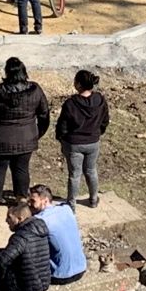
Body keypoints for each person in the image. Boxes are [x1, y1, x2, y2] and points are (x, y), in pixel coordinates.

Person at [0, 57, 50, 213]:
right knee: (21, 169)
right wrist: (36, 134)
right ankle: (21, 200)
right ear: (24, 72)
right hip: (26, 138)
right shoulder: (35, 91)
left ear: (7, 73)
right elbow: (44, 115)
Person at [55, 69, 109, 210]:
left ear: (78, 84)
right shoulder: (100, 100)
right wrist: (97, 133)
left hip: (74, 143)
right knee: (91, 171)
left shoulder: (70, 104)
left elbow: (63, 126)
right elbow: (105, 120)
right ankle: (93, 199)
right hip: (93, 142)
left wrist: (61, 139)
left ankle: (71, 205)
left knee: (74, 175)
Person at [0, 202, 51, 291]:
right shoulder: (40, 229)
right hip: (44, 282)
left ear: (20, 219)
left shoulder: (20, 237)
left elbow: (2, 261)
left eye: (9, 217)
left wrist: (0, 278)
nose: (6, 220)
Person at [29, 185, 87, 285]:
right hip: (81, 268)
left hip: (59, 275)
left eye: (33, 201)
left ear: (45, 200)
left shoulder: (39, 221)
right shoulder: (66, 209)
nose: (29, 205)